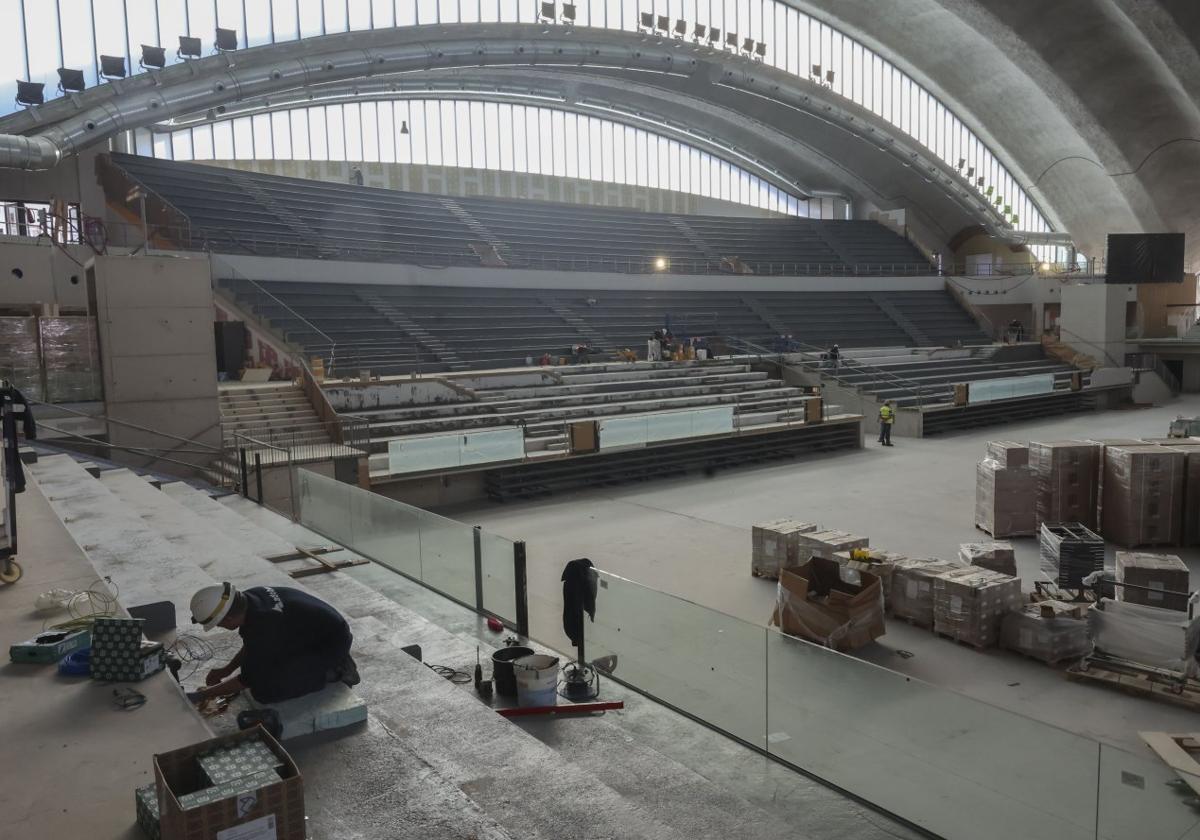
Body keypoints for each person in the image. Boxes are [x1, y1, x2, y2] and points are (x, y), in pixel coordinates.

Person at [188, 582, 358, 705]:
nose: (220, 627)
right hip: (313, 633)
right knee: (267, 665)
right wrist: (227, 669)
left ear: (229, 618)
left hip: (331, 644)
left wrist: (202, 695)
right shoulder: (249, 600)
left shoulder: (265, 625)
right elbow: (251, 644)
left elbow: (247, 680)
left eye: (219, 623)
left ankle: (335, 671)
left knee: (264, 691)